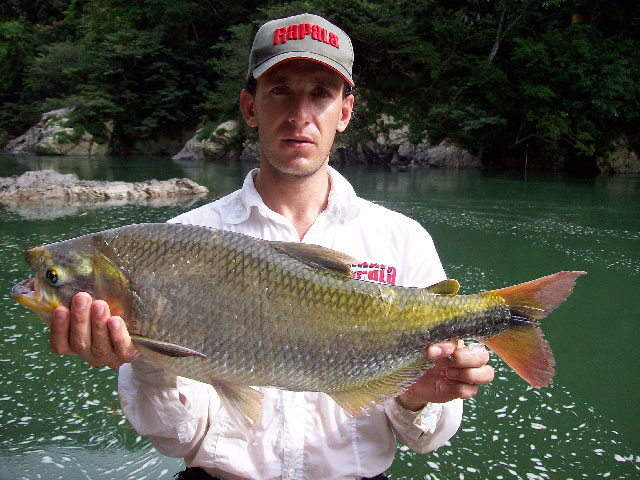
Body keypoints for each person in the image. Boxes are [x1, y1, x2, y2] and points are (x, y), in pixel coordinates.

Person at [49, 13, 494, 480]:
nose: (299, 114)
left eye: (320, 93)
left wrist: (417, 394)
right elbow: (180, 437)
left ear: (344, 112)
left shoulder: (402, 240)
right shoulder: (180, 238)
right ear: (250, 107)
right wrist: (148, 362)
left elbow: (425, 437)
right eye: (280, 90)